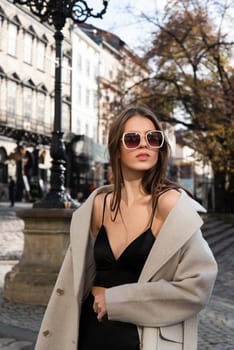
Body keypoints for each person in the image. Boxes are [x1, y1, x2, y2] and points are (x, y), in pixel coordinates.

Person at [35, 106, 217, 350]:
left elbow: (198, 284)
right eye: (132, 139)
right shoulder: (98, 204)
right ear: (117, 149)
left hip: (141, 337)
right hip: (89, 332)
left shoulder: (169, 204)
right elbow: (75, 279)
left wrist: (117, 301)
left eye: (153, 138)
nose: (144, 145)